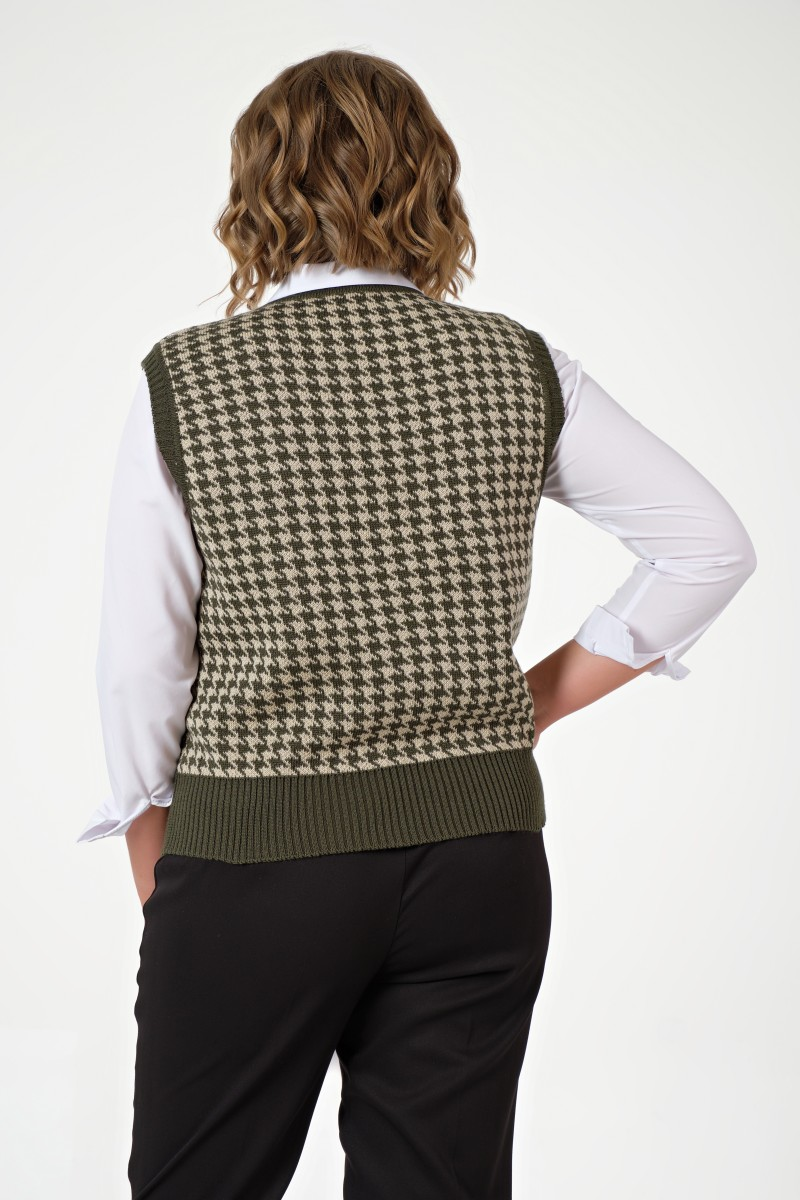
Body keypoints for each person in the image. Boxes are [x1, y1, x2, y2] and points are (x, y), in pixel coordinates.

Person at [75, 48, 757, 1200]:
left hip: (256, 856)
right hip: (479, 862)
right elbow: (707, 544)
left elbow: (143, 658)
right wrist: (522, 709)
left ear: (257, 188)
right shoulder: (515, 364)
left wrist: (158, 860)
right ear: (429, 180)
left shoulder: (189, 380)